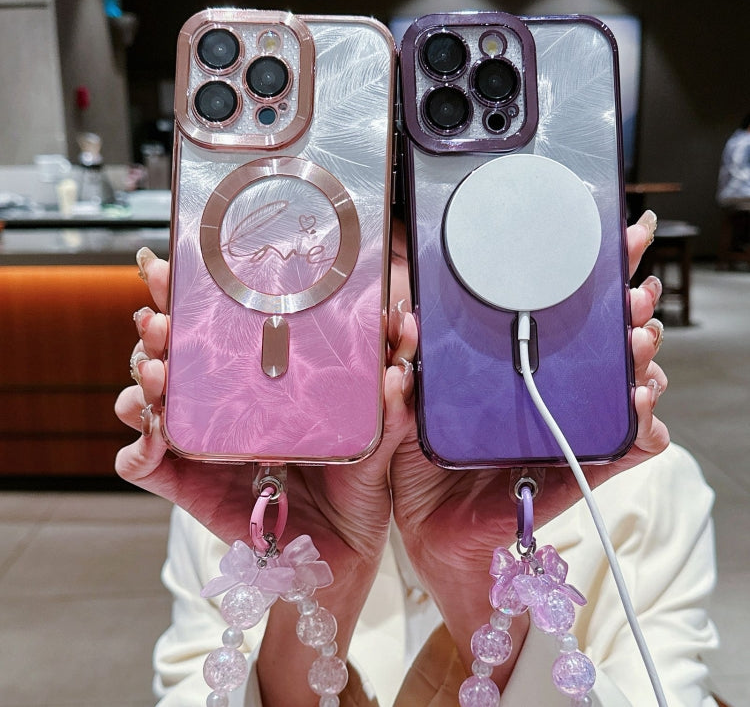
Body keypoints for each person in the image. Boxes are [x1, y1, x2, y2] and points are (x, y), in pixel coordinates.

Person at [115, 211, 719, 706]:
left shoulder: (645, 491)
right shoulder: (249, 490)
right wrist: (325, 574)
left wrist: (469, 573)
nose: (373, 293)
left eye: (409, 249)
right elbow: (193, 685)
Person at [717, 113, 750, 207]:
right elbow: (738, 169)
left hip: (732, 193)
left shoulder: (736, 140)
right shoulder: (744, 142)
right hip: (740, 192)